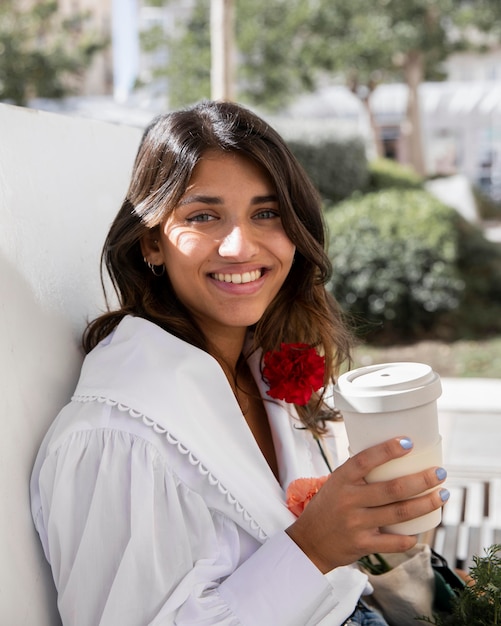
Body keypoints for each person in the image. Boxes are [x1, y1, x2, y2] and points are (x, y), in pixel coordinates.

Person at [30, 100, 449, 626]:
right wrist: (312, 547)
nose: (239, 246)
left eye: (266, 213)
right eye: (203, 216)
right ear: (151, 243)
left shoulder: (260, 366)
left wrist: (379, 518)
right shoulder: (117, 436)